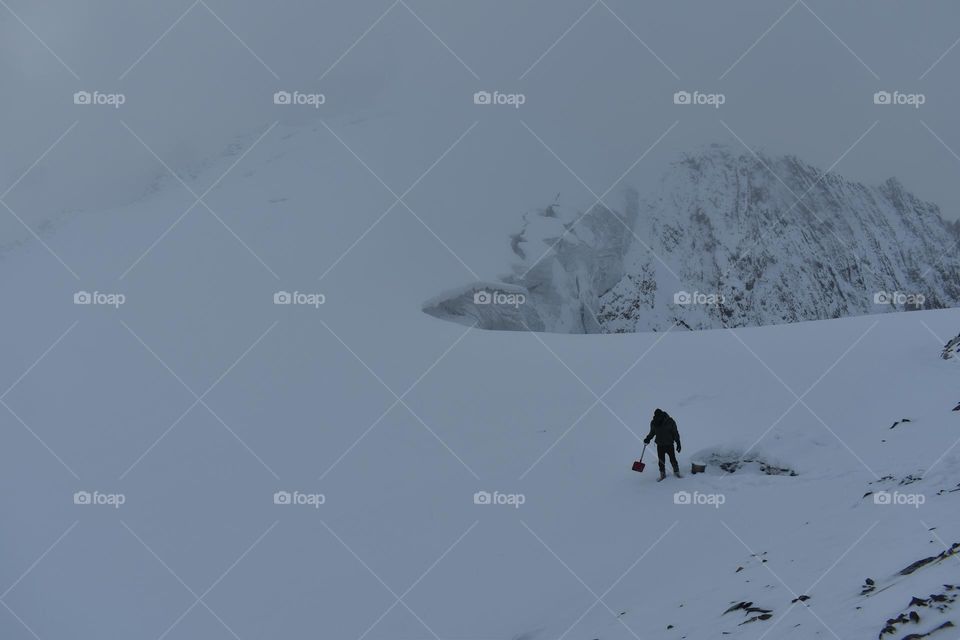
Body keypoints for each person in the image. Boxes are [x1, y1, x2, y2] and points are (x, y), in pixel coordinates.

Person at [643, 408, 682, 480]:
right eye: (656, 417)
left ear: (662, 415)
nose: (658, 418)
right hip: (660, 445)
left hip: (669, 444)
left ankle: (676, 472)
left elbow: (675, 432)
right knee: (661, 461)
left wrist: (678, 442)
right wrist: (648, 438)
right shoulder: (654, 422)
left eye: (659, 417)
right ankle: (662, 474)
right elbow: (652, 432)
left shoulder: (670, 421)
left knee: (673, 459)